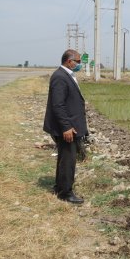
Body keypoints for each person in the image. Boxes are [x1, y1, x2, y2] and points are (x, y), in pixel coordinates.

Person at [43, 49, 88, 204]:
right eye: (78, 61)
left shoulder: (66, 75)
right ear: (69, 61)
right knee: (68, 160)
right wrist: (66, 127)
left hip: (70, 126)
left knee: (64, 158)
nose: (80, 65)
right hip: (67, 128)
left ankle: (59, 187)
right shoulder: (60, 77)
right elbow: (58, 105)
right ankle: (65, 193)